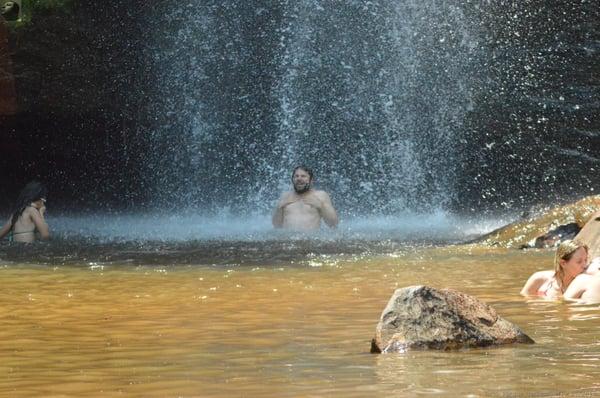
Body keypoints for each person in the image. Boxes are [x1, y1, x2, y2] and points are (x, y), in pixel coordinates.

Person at [520, 240, 600, 301]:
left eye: (586, 260)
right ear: (563, 263)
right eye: (579, 262)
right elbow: (523, 302)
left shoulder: (584, 283)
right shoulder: (539, 279)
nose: (585, 265)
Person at [272, 166, 338, 231]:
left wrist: (321, 206)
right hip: (288, 239)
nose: (299, 179)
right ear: (292, 179)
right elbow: (277, 226)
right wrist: (279, 208)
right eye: (296, 176)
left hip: (310, 239)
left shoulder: (320, 195)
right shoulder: (285, 196)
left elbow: (333, 224)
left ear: (311, 180)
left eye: (303, 176)